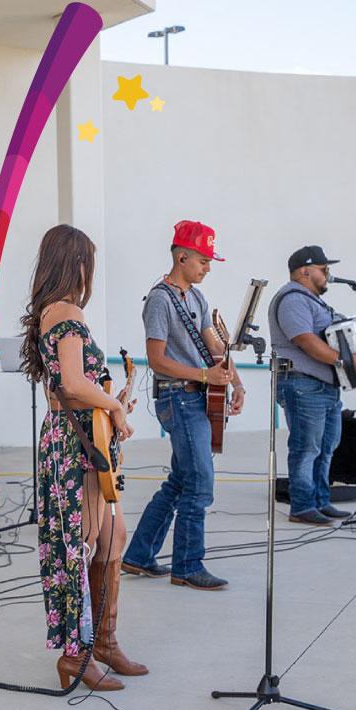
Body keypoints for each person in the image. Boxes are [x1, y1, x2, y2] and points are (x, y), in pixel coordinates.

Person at [20, 224, 144, 693]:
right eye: (88, 262)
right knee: (82, 542)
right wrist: (112, 406)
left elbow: (73, 386)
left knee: (111, 537)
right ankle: (77, 653)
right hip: (75, 444)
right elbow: (71, 383)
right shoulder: (67, 311)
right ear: (76, 263)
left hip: (77, 437)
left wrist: (111, 404)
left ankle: (104, 641)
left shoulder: (49, 312)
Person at [122, 220, 243, 591]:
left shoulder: (197, 298)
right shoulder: (160, 299)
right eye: (204, 260)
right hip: (178, 396)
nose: (208, 267)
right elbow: (156, 359)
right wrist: (207, 377)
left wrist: (236, 382)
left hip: (195, 395)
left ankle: (139, 555)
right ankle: (187, 565)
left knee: (180, 480)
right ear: (183, 256)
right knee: (200, 481)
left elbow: (215, 348)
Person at [268, 246, 356, 525]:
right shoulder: (292, 299)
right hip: (302, 384)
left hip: (323, 385)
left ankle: (320, 501)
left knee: (326, 446)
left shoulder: (313, 300)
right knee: (306, 447)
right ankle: (301, 506)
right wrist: (344, 362)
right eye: (324, 270)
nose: (328, 275)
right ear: (305, 271)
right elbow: (305, 340)